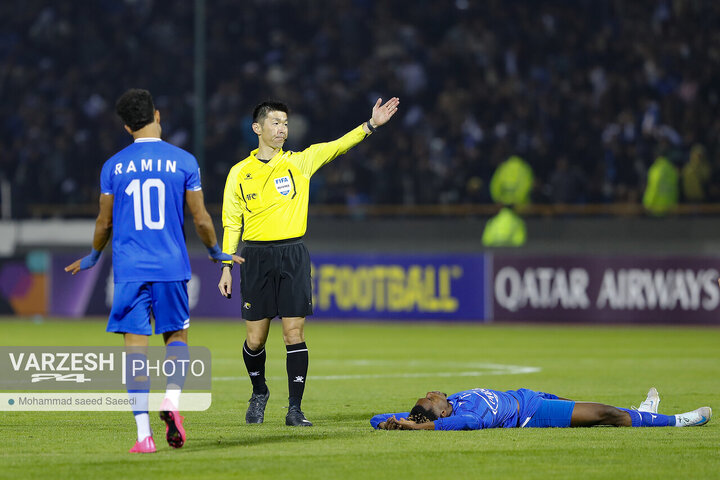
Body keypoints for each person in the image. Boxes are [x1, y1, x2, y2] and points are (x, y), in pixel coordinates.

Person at [65, 88, 243, 453]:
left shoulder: (113, 166)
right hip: (170, 266)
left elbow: (103, 221)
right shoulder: (183, 161)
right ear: (157, 116)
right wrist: (215, 251)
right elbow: (201, 218)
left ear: (127, 126)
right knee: (176, 338)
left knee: (135, 350)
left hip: (130, 269)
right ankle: (172, 402)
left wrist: (94, 256)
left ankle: (143, 435)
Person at [218, 97, 400, 427]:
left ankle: (294, 409)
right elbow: (232, 222)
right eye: (275, 122)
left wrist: (370, 125)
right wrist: (226, 267)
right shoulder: (238, 173)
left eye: (285, 123)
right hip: (255, 256)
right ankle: (259, 391)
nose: (282, 129)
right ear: (257, 128)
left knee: (294, 332)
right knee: (255, 339)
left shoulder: (300, 162)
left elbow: (338, 146)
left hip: (293, 255)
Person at [370, 387, 711, 431]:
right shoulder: (461, 416)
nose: (430, 393)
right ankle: (680, 421)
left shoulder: (453, 402)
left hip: (529, 394)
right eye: (430, 399)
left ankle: (645, 411)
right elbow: (464, 425)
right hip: (532, 414)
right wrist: (418, 428)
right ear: (441, 413)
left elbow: (375, 418)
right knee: (608, 414)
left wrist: (389, 420)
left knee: (594, 406)